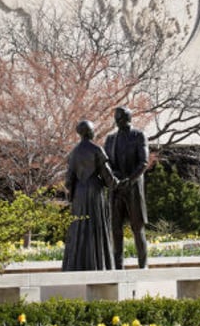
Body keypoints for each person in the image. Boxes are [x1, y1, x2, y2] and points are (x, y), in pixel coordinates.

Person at [61, 120, 117, 271]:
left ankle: (76, 265)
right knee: (96, 226)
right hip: (94, 191)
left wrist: (72, 196)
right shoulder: (96, 149)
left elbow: (69, 179)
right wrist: (116, 184)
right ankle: (99, 264)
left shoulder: (74, 152)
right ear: (89, 132)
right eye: (93, 130)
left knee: (79, 226)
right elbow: (107, 174)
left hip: (79, 192)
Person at [104, 107, 149, 269]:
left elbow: (143, 162)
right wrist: (114, 179)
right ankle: (117, 266)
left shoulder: (138, 136)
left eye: (120, 118)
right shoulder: (110, 139)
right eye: (116, 118)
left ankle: (143, 265)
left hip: (133, 188)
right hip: (116, 189)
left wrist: (129, 180)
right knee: (116, 229)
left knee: (138, 228)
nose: (117, 121)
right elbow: (106, 163)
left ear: (127, 119)